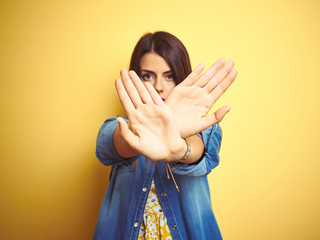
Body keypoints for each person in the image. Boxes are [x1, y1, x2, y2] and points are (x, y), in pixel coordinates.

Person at [93, 31, 237, 240]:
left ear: (181, 78)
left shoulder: (204, 129)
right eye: (148, 76)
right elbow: (108, 145)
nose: (159, 86)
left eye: (169, 76)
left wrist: (179, 147)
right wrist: (143, 132)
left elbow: (197, 152)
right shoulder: (119, 127)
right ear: (137, 79)